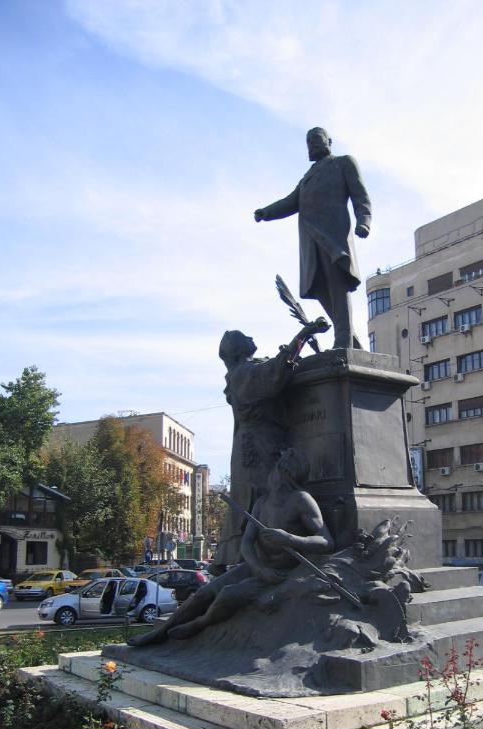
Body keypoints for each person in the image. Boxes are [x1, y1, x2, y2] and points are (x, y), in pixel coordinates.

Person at [128, 448, 334, 646]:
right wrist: (258, 569)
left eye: (276, 468)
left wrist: (289, 538)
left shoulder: (301, 500)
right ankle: (159, 633)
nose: (271, 474)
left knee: (228, 594)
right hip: (257, 568)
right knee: (203, 593)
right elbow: (247, 542)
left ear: (285, 472)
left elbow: (326, 541)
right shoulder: (262, 502)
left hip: (280, 574)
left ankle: (200, 623)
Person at [212, 319, 329, 570]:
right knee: (267, 495)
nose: (251, 336)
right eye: (244, 336)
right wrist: (305, 333)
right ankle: (259, 559)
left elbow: (274, 368)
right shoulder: (243, 373)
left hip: (266, 440)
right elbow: (274, 374)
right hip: (259, 447)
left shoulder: (247, 369)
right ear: (237, 349)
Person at [254, 127, 372, 350]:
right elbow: (290, 202)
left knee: (339, 285)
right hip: (311, 242)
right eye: (309, 142)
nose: (313, 145)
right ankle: (351, 340)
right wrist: (266, 212)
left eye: (317, 140)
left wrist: (363, 221)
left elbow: (360, 195)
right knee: (320, 289)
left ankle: (343, 341)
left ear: (329, 141)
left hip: (334, 237)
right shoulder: (307, 178)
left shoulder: (343, 163)